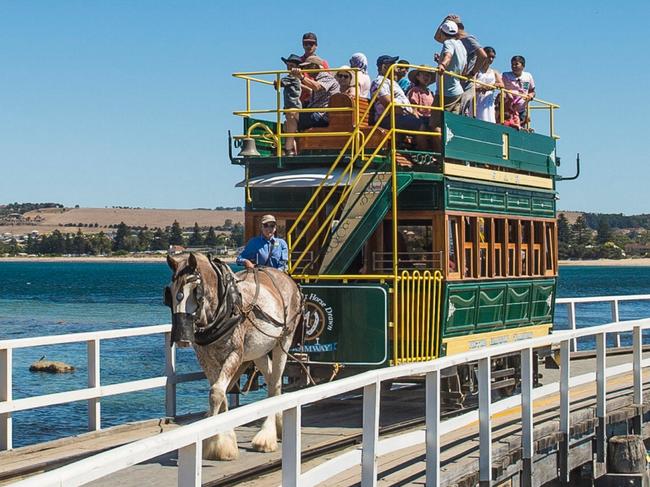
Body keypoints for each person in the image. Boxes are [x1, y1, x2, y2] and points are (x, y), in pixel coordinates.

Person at [428, 19, 467, 147]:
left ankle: (441, 155)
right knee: (451, 126)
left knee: (435, 125)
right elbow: (463, 67)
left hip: (446, 92)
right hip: (457, 91)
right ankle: (454, 154)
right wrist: (440, 61)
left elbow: (448, 56)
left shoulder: (448, 43)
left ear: (443, 32)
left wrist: (442, 64)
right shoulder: (461, 45)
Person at [370, 55, 424, 132]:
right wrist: (407, 112)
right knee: (421, 125)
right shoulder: (379, 82)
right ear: (384, 67)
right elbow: (388, 103)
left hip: (399, 116)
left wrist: (412, 111)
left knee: (429, 123)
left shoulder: (392, 82)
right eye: (392, 64)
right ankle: (423, 144)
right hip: (387, 118)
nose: (395, 67)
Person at [285, 55, 339, 133]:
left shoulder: (327, 78)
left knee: (290, 114)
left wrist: (301, 77)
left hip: (321, 116)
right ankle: (293, 143)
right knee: (289, 121)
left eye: (306, 67)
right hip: (318, 114)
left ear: (314, 66)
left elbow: (317, 87)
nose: (305, 71)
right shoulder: (318, 79)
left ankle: (290, 144)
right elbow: (313, 89)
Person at [279, 54, 303, 155]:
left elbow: (280, 83)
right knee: (290, 129)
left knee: (291, 131)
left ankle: (288, 150)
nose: (289, 67)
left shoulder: (292, 77)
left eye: (292, 65)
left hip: (292, 107)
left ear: (297, 68)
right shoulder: (293, 78)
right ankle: (293, 150)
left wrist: (276, 83)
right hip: (292, 106)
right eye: (288, 65)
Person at [502, 55, 536, 127]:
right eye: (512, 64)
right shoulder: (506, 75)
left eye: (516, 64)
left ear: (523, 66)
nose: (514, 66)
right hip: (509, 110)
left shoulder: (528, 76)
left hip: (522, 109)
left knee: (523, 129)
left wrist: (531, 95)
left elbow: (532, 91)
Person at [472, 46, 503, 123]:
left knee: (489, 120)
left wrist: (491, 86)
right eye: (489, 57)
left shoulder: (494, 72)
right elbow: (471, 84)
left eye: (493, 57)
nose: (491, 59)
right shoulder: (476, 70)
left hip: (488, 101)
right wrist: (481, 87)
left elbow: (502, 84)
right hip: (476, 99)